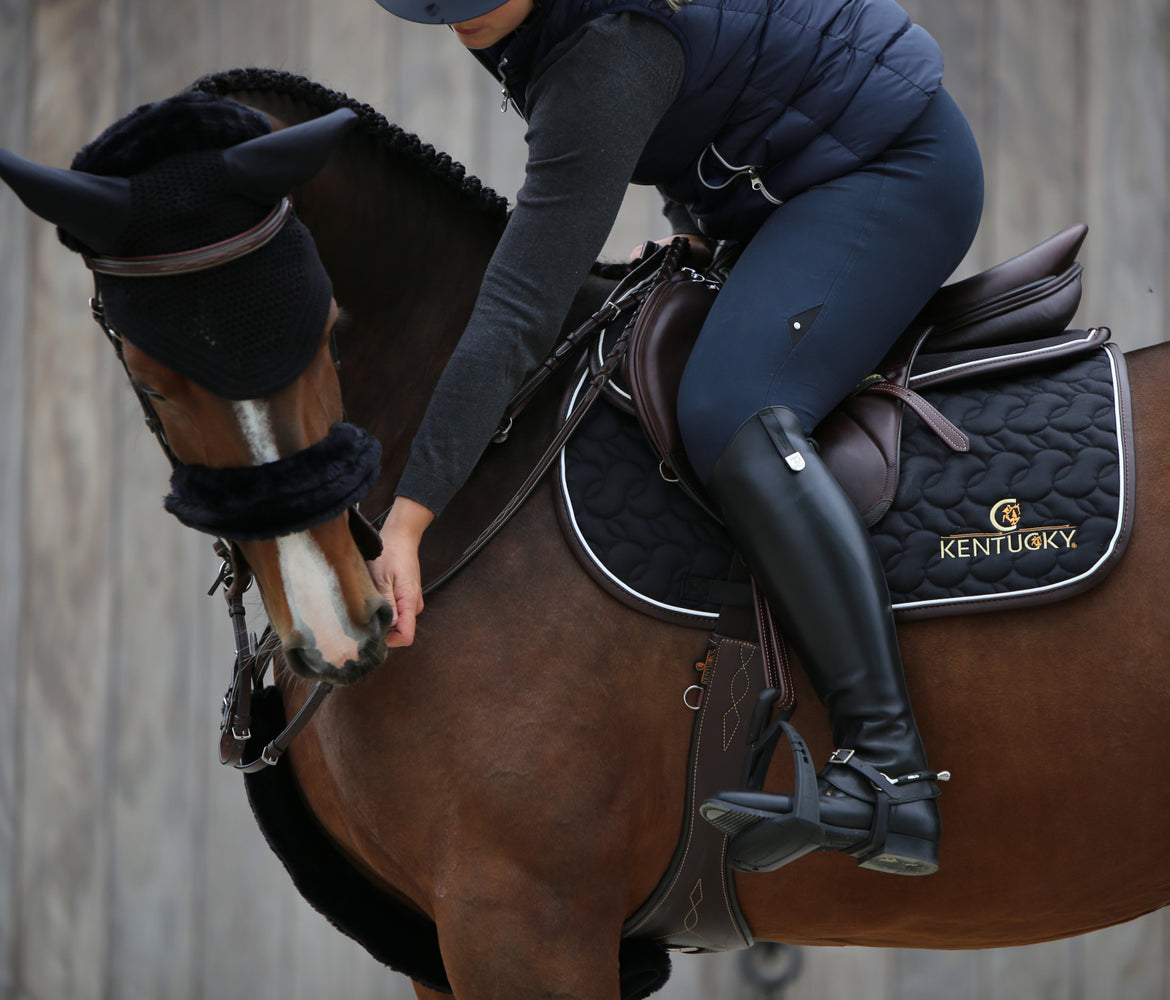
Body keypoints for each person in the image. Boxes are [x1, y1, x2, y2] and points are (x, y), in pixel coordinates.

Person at [368, 0, 983, 875]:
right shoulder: (532, 27)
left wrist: (410, 517)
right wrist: (697, 203)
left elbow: (517, 314)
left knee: (731, 409)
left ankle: (890, 771)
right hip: (787, 174)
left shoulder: (607, 56)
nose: (455, 14)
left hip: (892, 168)